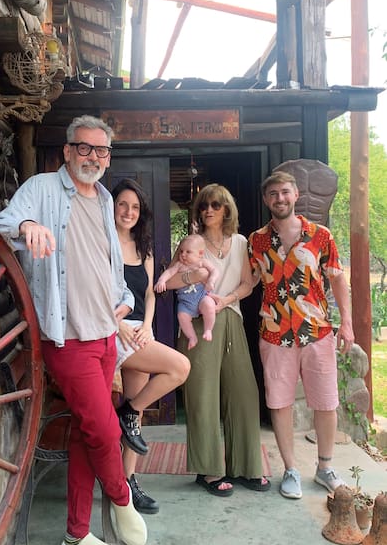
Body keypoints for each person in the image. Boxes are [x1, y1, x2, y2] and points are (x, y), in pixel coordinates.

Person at [0, 115, 147, 545]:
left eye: (101, 152)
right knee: (103, 429)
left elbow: (110, 266)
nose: (94, 158)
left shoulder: (102, 200)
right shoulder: (42, 188)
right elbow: (3, 223)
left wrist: (122, 300)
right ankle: (122, 501)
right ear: (67, 151)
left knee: (85, 432)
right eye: (85, 148)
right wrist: (27, 229)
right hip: (68, 336)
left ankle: (77, 536)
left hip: (104, 334)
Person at [248, 170, 354, 500]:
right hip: (275, 334)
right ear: (266, 200)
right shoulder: (257, 240)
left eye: (285, 192)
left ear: (295, 195)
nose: (279, 198)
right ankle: (291, 470)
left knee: (326, 402)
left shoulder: (320, 235)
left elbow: (338, 280)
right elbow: (247, 281)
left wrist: (347, 323)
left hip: (317, 331)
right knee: (278, 403)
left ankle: (324, 468)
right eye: (273, 194)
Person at [163, 183, 271, 496]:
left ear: (226, 210)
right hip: (198, 323)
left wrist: (225, 300)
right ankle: (209, 470)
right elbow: (168, 281)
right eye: (204, 205)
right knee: (203, 396)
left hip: (231, 318)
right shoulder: (191, 244)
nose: (208, 210)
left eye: (215, 205)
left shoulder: (239, 242)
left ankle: (247, 466)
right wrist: (192, 277)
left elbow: (249, 284)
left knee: (244, 393)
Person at [112, 178, 190, 514]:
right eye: (122, 205)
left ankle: (128, 483)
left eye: (135, 207)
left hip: (140, 331)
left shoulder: (142, 248)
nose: (129, 212)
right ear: (112, 206)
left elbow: (148, 294)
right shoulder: (101, 243)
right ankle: (125, 413)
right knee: (180, 367)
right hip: (114, 331)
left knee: (137, 413)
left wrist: (146, 326)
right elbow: (92, 291)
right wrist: (120, 327)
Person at [154, 233, 219, 349]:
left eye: (188, 252)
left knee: (209, 306)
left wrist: (211, 281)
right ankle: (192, 337)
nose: (183, 255)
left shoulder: (201, 263)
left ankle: (208, 329)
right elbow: (169, 273)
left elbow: (215, 271)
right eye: (181, 251)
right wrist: (161, 281)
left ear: (200, 254)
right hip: (185, 303)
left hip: (201, 297)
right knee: (182, 316)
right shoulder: (179, 265)